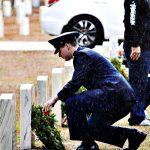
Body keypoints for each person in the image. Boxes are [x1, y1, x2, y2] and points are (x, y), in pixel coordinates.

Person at [43, 31, 147, 150]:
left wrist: (55, 99)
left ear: (67, 46)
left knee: (72, 101)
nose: (59, 55)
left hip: (116, 96)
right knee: (92, 128)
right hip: (120, 98)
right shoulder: (84, 55)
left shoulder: (83, 55)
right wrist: (73, 114)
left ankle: (88, 145)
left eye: (59, 51)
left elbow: (74, 84)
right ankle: (133, 135)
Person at [123, 0, 150, 126]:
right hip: (139, 48)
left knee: (143, 82)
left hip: (147, 45)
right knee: (138, 83)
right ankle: (136, 117)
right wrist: (135, 44)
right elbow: (131, 21)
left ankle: (139, 108)